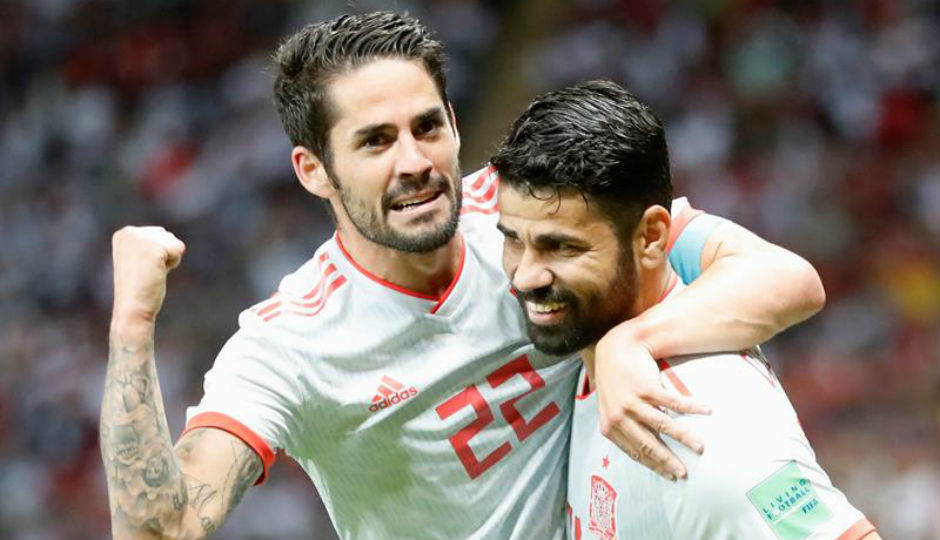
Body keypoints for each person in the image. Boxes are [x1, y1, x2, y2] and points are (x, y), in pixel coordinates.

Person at [100, 12, 825, 540]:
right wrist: (131, 325)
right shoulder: (288, 346)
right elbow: (161, 531)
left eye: (427, 127)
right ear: (313, 170)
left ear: (453, 120)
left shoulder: (531, 217)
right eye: (375, 142)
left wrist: (629, 344)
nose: (414, 162)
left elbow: (785, 278)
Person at [491, 80, 879, 540]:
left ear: (653, 237)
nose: (525, 277)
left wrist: (630, 340)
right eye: (513, 240)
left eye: (562, 247)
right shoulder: (598, 339)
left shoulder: (705, 435)